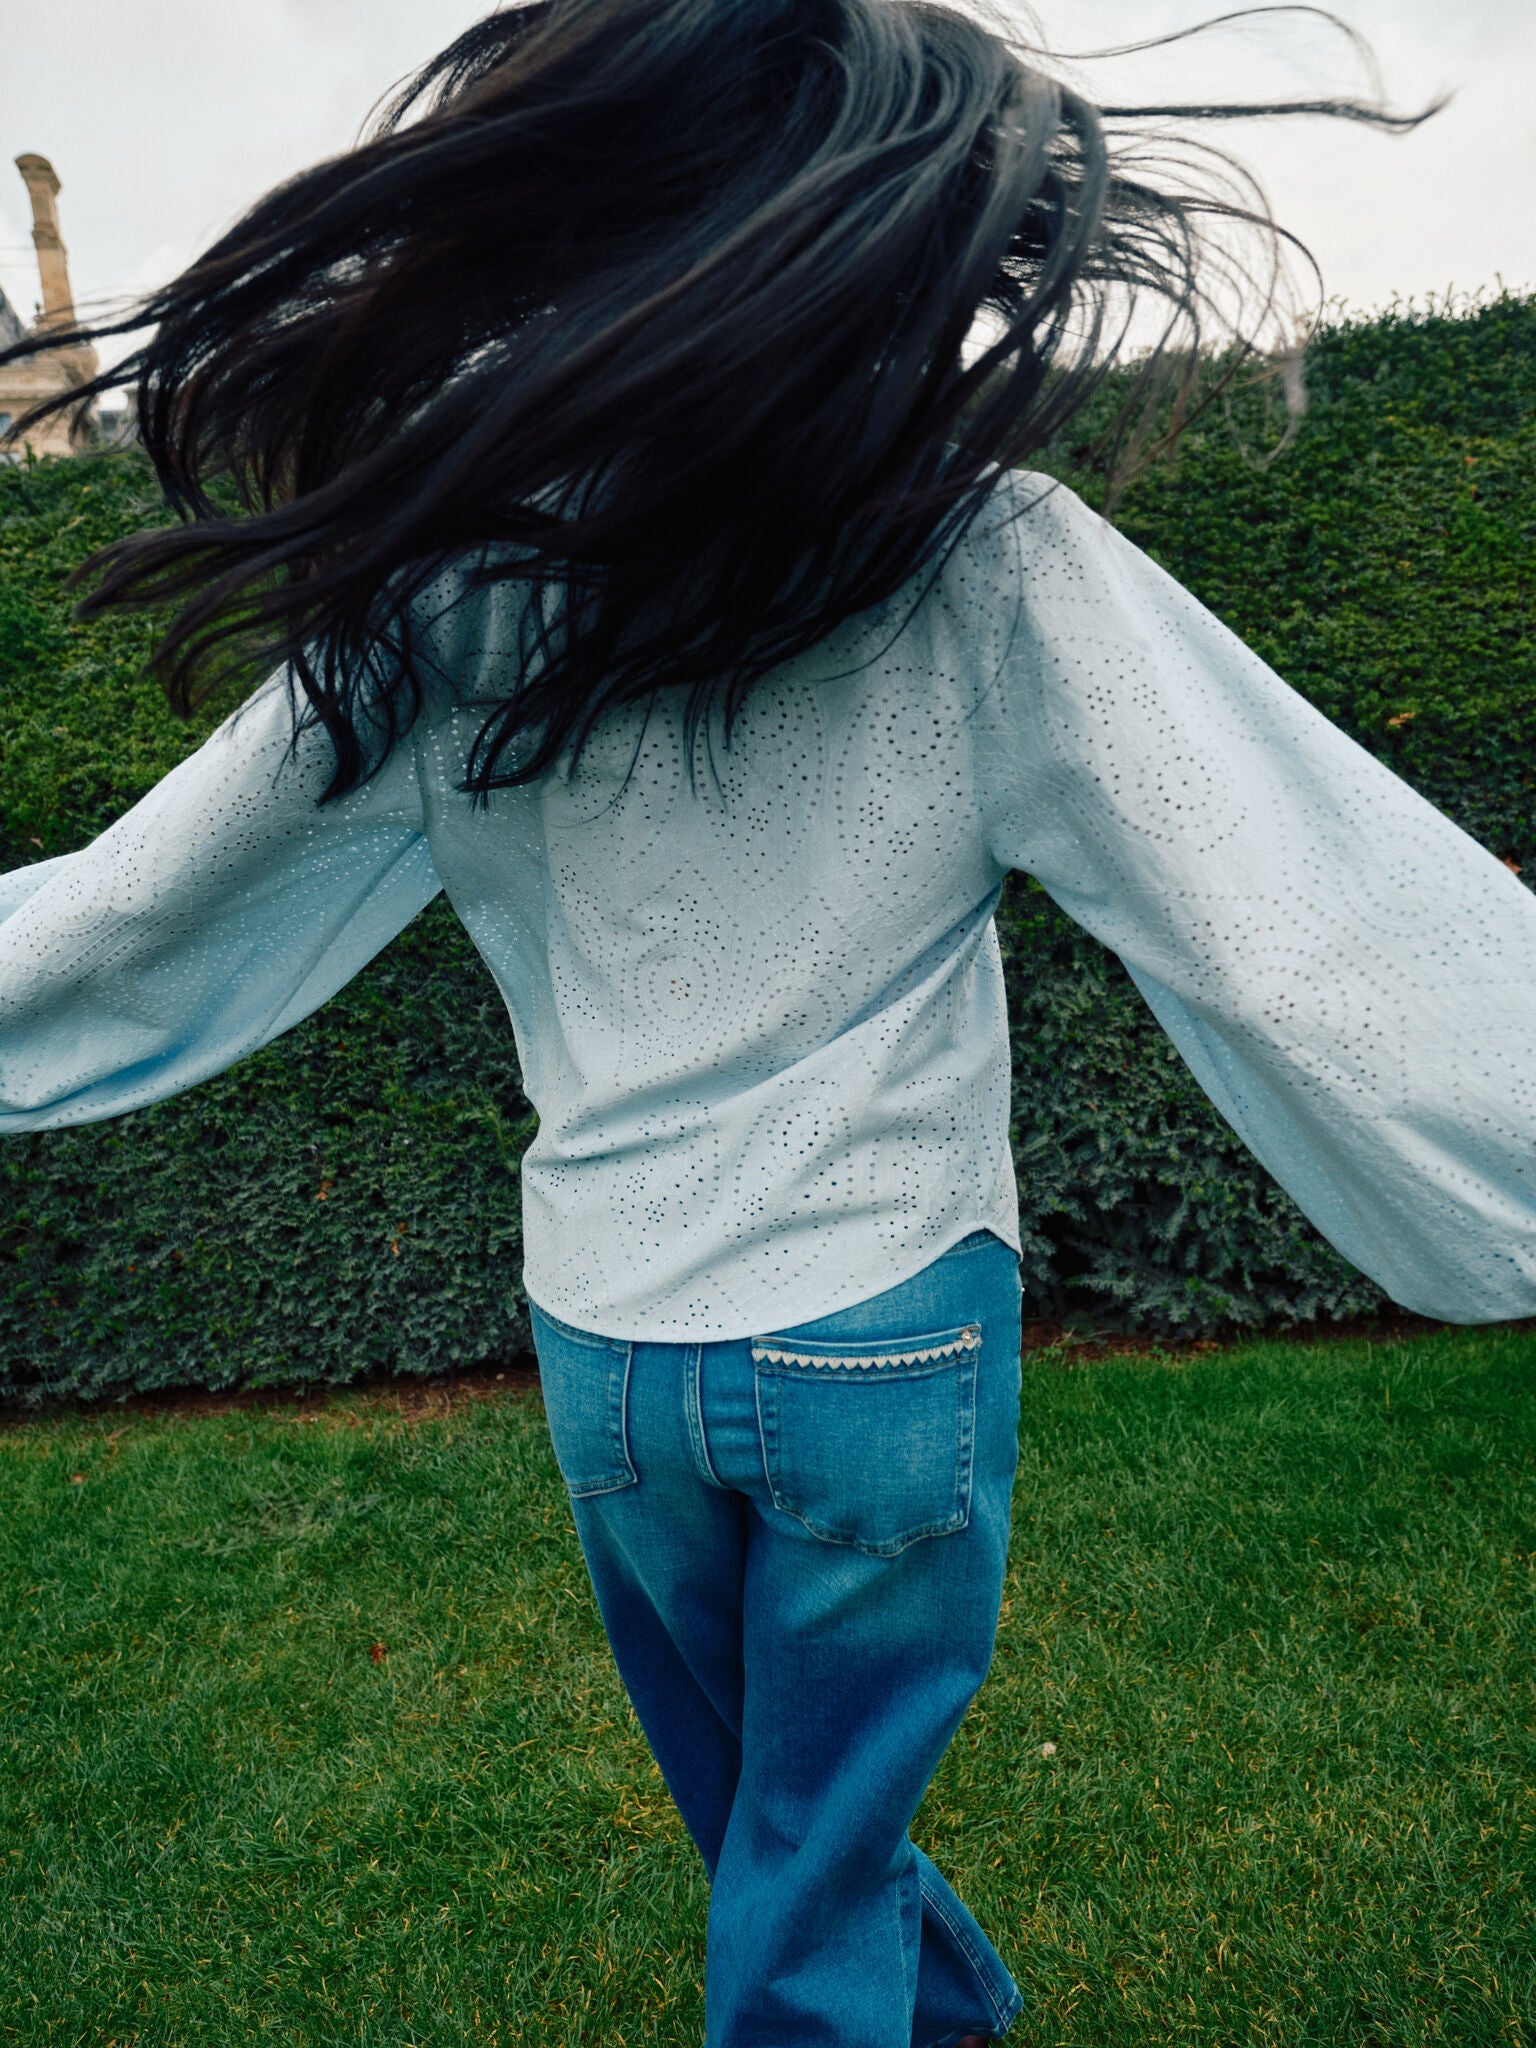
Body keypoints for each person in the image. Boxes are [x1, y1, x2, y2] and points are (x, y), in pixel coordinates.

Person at [1, 2, 1529, 2040]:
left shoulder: (455, 594)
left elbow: (136, 904)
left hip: (612, 1358)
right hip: (882, 1328)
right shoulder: (977, 554)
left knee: (782, 1827)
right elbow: (1297, 910)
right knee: (806, 1856)